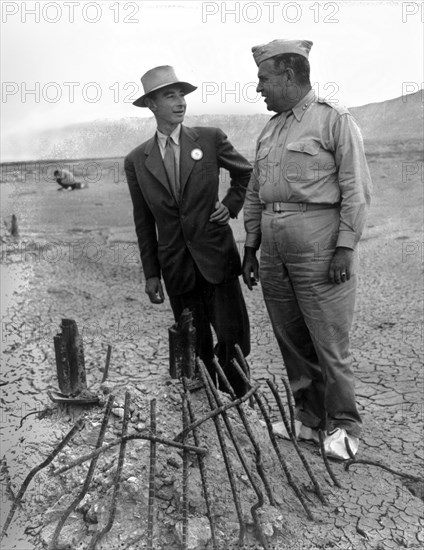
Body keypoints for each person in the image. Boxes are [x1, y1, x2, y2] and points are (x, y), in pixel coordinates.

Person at [242, 39, 372, 459]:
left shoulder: (334, 120)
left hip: (320, 245)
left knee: (329, 339)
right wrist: (250, 244)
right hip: (274, 251)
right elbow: (254, 190)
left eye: (264, 78)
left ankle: (346, 427)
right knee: (291, 336)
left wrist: (345, 247)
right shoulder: (271, 128)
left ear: (288, 76)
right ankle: (311, 421)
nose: (259, 87)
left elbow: (357, 188)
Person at [124, 65, 252, 396]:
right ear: (152, 104)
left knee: (233, 343)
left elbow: (246, 175)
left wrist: (231, 204)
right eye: (170, 95)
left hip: (217, 261)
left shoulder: (209, 139)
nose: (180, 101)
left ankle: (239, 408)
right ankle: (207, 414)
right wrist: (151, 273)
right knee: (194, 348)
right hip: (177, 270)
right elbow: (143, 220)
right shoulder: (137, 159)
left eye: (182, 94)